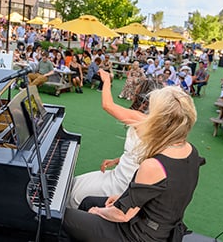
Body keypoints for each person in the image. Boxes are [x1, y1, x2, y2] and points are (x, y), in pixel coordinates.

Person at [60, 85, 205, 242]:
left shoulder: (154, 165)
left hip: (139, 234)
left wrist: (99, 211)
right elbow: (161, 196)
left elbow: (122, 215)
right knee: (88, 201)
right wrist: (120, 198)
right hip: (159, 224)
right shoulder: (191, 150)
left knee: (63, 217)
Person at [68, 76, 162, 208]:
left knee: (74, 195)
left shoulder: (143, 120)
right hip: (119, 172)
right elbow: (141, 153)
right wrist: (117, 160)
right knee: (74, 183)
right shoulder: (153, 122)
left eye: (137, 91)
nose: (134, 92)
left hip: (122, 183)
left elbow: (108, 105)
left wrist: (106, 80)